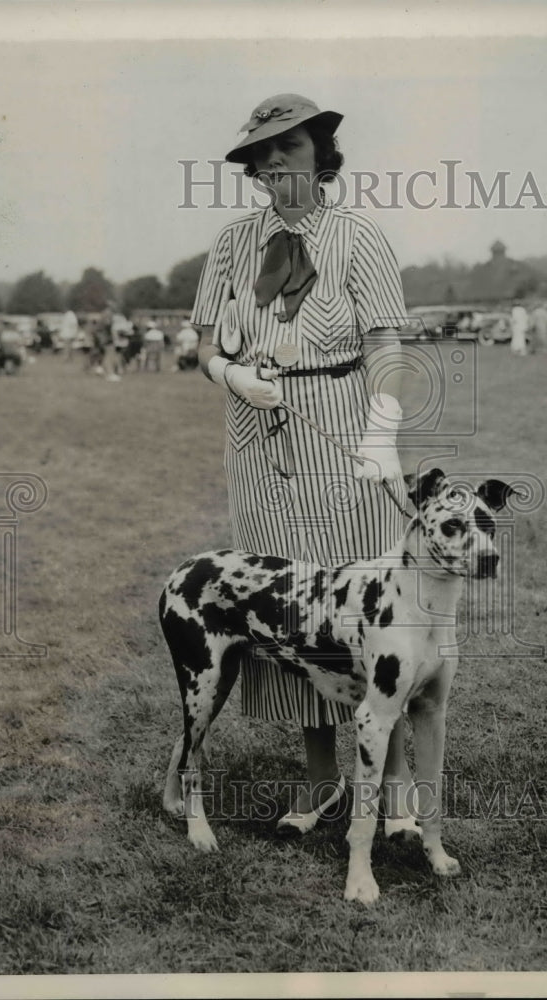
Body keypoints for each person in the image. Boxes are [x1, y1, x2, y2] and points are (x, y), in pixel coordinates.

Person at [191, 93, 412, 830]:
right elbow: (204, 346)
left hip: (344, 430)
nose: (274, 160)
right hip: (259, 440)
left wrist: (383, 429)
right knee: (292, 611)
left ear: (320, 151)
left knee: (370, 613)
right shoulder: (230, 244)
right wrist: (231, 375)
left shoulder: (359, 236)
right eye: (262, 152)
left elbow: (385, 342)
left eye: (289, 145)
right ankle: (321, 780)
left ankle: (399, 789)